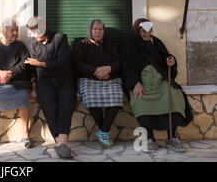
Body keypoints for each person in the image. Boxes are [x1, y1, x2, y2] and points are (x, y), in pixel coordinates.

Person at [121, 18, 193, 153]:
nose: (147, 34)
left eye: (149, 31)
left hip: (160, 79)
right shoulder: (129, 45)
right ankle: (150, 139)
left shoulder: (156, 42)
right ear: (137, 31)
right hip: (141, 81)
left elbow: (166, 56)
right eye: (144, 31)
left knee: (173, 95)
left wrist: (170, 60)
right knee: (141, 100)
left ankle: (171, 137)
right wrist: (135, 83)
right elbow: (127, 66)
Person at [0, 18, 36, 150]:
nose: (15, 33)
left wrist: (9, 74)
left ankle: (25, 134)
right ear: (4, 32)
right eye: (12, 30)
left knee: (23, 96)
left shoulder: (21, 46)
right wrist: (0, 73)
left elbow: (24, 64)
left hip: (17, 82)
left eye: (16, 30)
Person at [24, 16, 76, 159]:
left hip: (64, 79)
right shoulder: (30, 44)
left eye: (35, 32)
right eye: (31, 33)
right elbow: (30, 69)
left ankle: (61, 142)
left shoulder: (60, 38)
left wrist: (40, 63)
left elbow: (62, 62)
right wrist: (33, 87)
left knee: (66, 107)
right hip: (44, 81)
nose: (33, 36)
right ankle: (62, 143)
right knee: (49, 109)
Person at [74, 19, 123, 148]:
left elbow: (118, 62)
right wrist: (96, 70)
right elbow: (78, 64)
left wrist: (108, 69)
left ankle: (103, 131)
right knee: (90, 97)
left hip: (110, 78)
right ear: (90, 30)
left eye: (100, 29)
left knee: (117, 96)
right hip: (89, 79)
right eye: (95, 29)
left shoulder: (111, 45)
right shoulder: (81, 45)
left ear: (103, 31)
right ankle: (104, 131)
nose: (97, 32)